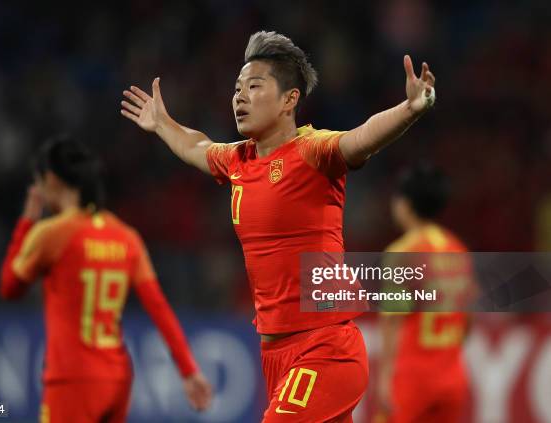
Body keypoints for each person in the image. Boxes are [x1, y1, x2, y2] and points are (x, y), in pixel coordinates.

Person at [121, 31, 436, 422]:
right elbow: (194, 147)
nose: (239, 96)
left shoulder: (312, 151)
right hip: (275, 354)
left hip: (325, 349)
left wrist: (410, 109)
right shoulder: (238, 161)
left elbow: (360, 140)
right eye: (237, 88)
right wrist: (162, 122)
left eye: (254, 86)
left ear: (290, 100)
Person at [0, 136, 212, 423]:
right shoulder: (126, 236)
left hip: (72, 380)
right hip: (117, 378)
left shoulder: (52, 233)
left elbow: (10, 288)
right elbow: (159, 308)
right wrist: (189, 371)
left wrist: (27, 220)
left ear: (49, 179)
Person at [375, 164, 473, 423]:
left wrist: (385, 376)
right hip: (453, 375)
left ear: (405, 205)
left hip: (412, 377)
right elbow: (470, 309)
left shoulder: (402, 253)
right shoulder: (457, 248)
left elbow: (392, 318)